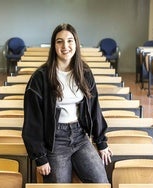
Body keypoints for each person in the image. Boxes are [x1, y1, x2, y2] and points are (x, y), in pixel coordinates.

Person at [22, 23, 112, 183]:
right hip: (54, 140)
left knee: (101, 183)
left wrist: (101, 141)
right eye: (59, 41)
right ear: (53, 45)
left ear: (76, 44)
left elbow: (94, 109)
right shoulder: (39, 78)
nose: (65, 46)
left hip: (80, 136)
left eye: (70, 41)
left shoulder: (84, 73)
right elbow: (32, 121)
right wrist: (40, 157)